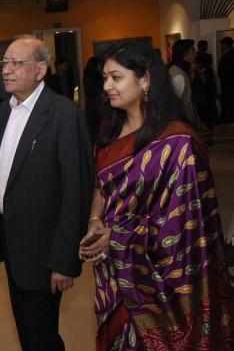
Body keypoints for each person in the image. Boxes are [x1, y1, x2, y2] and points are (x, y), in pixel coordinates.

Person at [79, 42, 234, 350]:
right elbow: (101, 185)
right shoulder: (108, 131)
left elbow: (185, 225)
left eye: (116, 77)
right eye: (105, 77)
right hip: (116, 270)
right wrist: (95, 218)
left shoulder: (179, 143)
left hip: (163, 280)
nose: (106, 86)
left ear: (146, 79)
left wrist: (117, 237)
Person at [0, 35, 94, 351]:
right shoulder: (2, 113)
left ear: (41, 70)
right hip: (12, 245)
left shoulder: (63, 114)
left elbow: (77, 192)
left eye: (17, 63)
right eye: (4, 62)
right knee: (27, 333)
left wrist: (64, 260)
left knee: (41, 337)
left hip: (44, 252)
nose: (6, 70)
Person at [169, 39, 198, 126]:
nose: (195, 54)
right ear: (185, 55)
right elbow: (173, 104)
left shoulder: (182, 70)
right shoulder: (178, 75)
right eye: (193, 51)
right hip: (182, 123)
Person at [83, 56, 103, 142]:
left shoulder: (86, 75)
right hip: (97, 105)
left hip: (91, 105)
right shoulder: (97, 76)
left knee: (92, 130)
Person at [219, 36, 234, 122]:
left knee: (229, 102)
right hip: (230, 83)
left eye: (222, 44)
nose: (221, 46)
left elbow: (224, 71)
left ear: (225, 45)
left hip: (227, 84)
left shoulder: (227, 56)